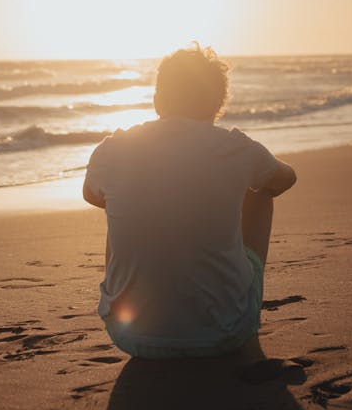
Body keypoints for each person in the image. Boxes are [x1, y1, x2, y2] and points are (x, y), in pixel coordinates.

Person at [83, 44, 296, 358]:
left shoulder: (113, 149)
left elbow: (92, 195)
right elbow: (285, 178)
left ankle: (133, 298)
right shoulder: (236, 148)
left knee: (118, 202)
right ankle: (232, 293)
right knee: (260, 193)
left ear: (157, 101)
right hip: (226, 333)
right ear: (217, 105)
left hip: (128, 335)